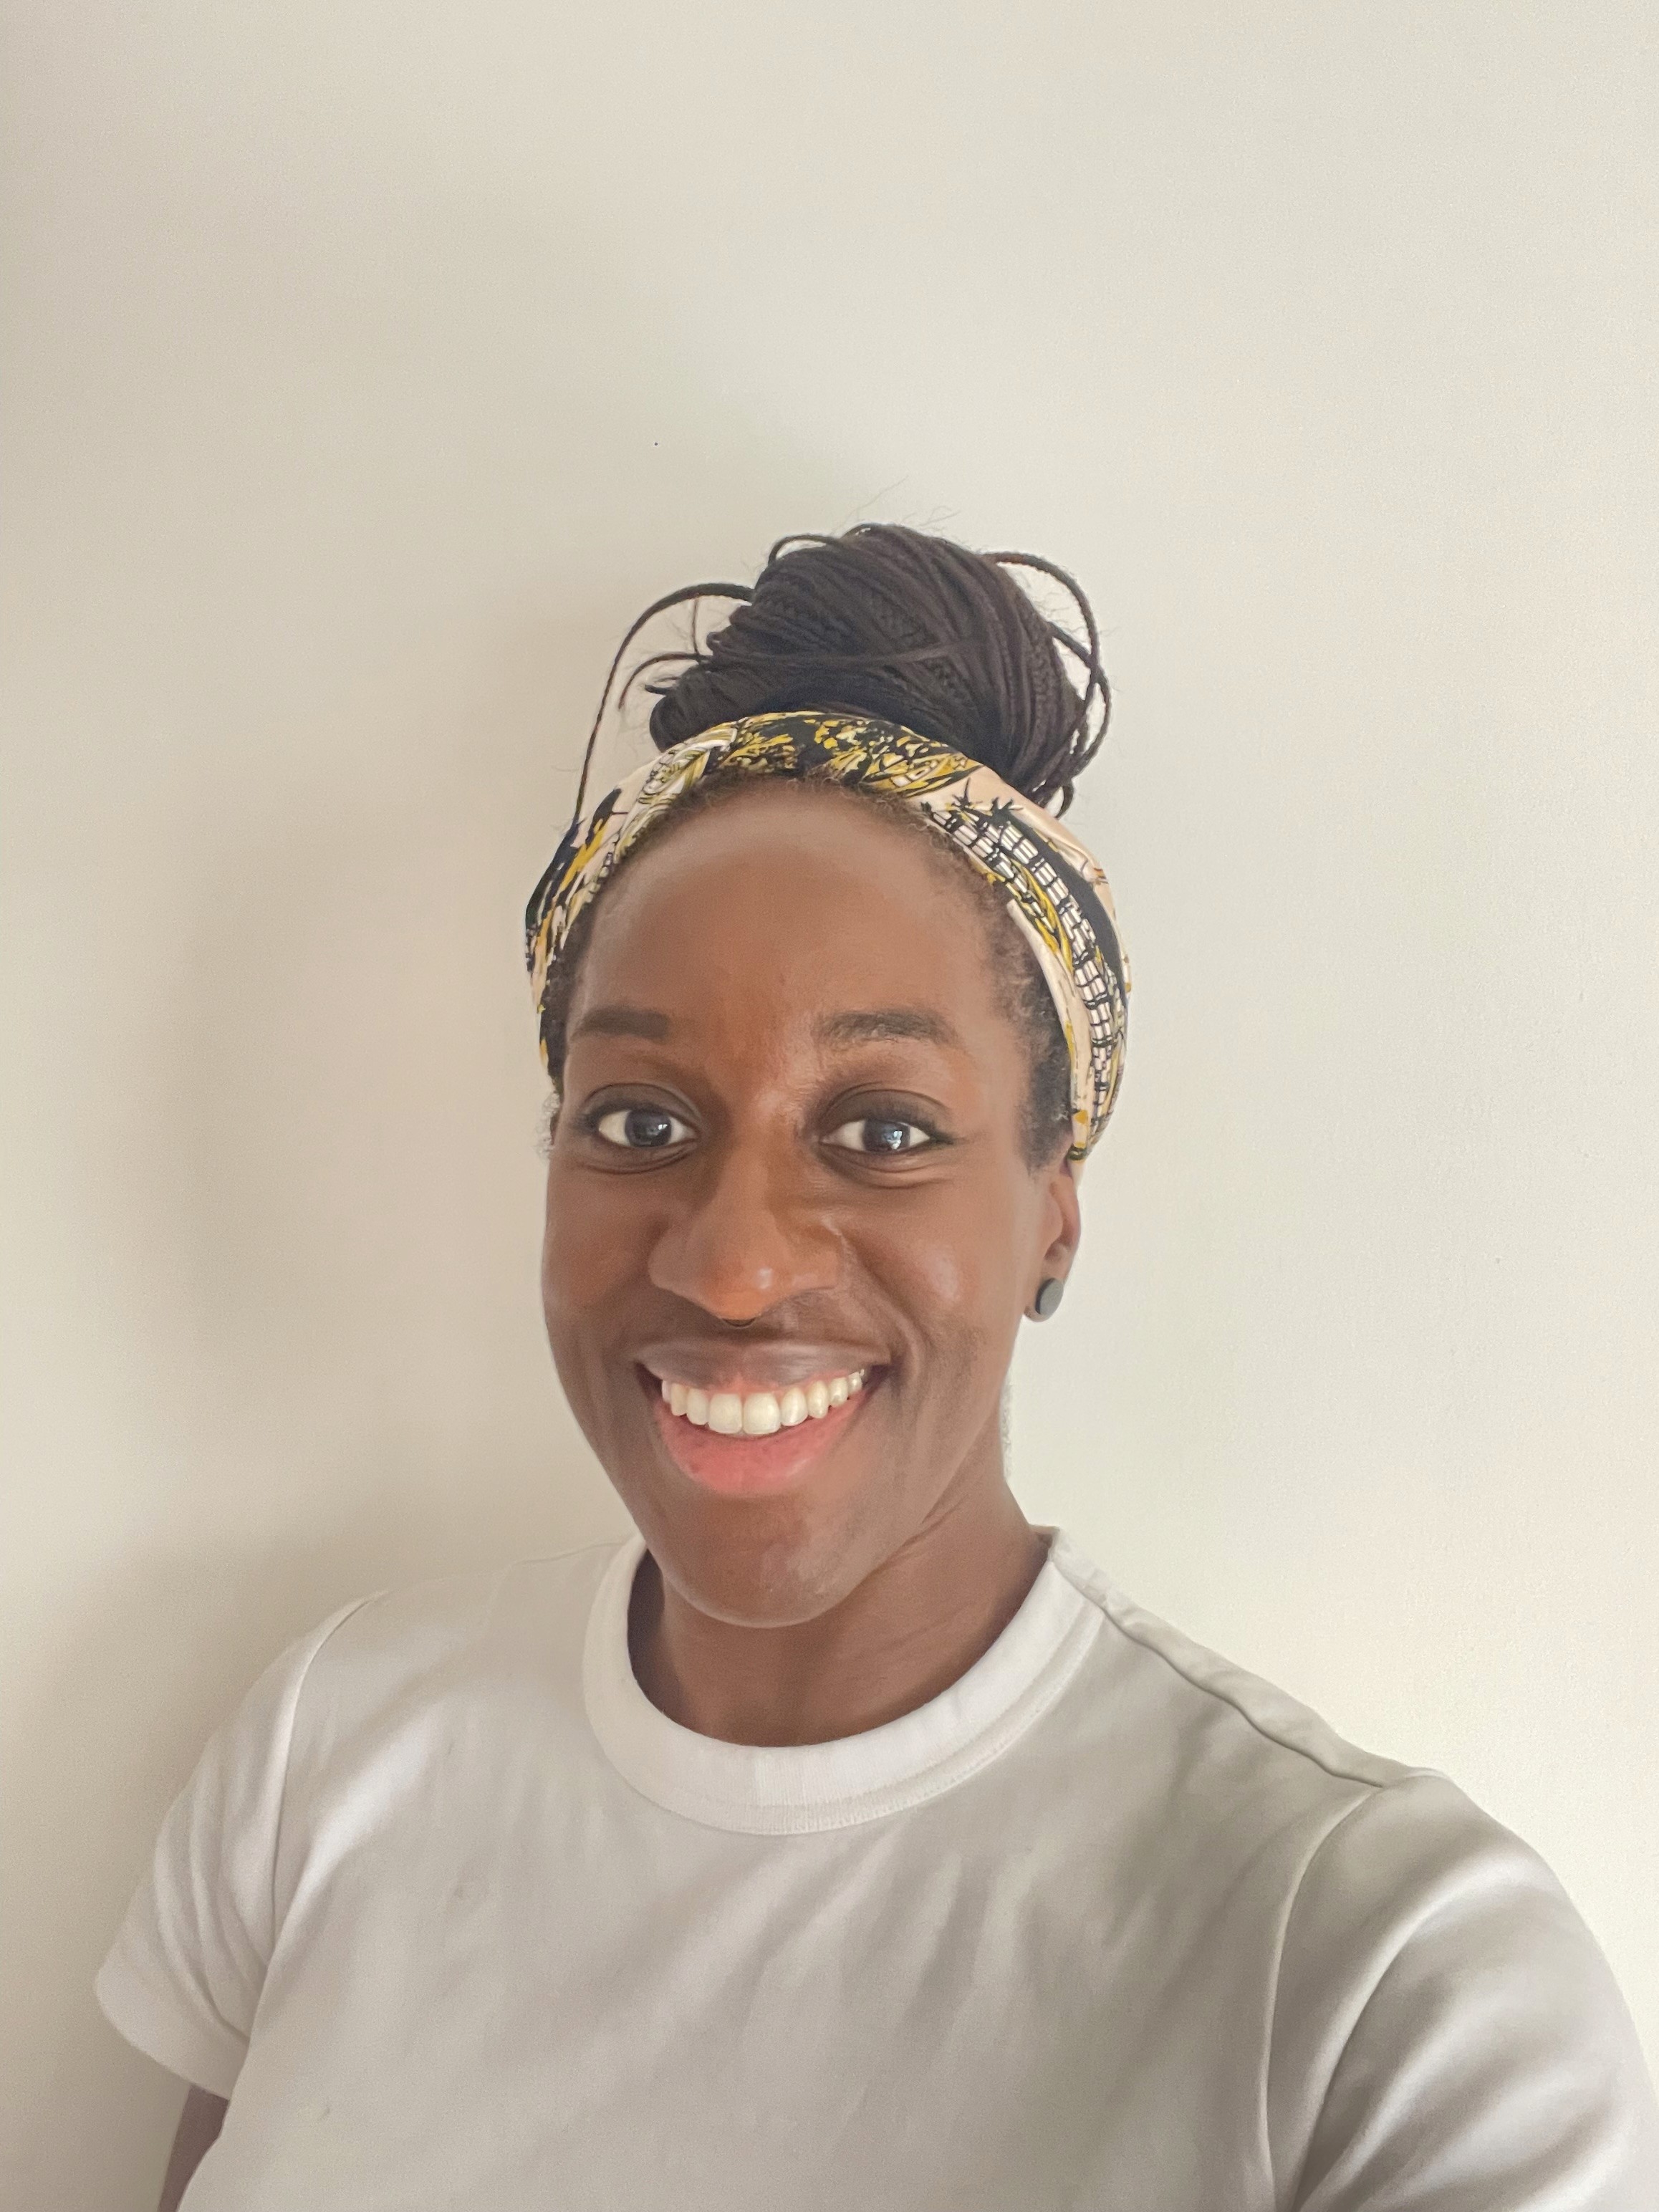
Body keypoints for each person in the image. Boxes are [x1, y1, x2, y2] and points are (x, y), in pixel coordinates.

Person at [100, 527, 1658, 2210]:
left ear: (1054, 1212)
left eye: (883, 1130)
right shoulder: (330, 1749)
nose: (733, 1259)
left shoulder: (1384, 1986)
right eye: (640, 1120)